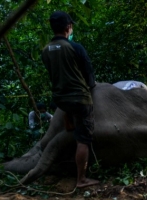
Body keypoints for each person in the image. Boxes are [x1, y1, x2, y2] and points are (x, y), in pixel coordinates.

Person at [41, 11, 98, 188]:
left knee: (70, 115)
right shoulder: (75, 47)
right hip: (79, 98)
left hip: (60, 99)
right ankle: (81, 179)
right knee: (83, 139)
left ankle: (68, 124)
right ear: (68, 27)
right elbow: (89, 74)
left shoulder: (45, 51)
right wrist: (92, 86)